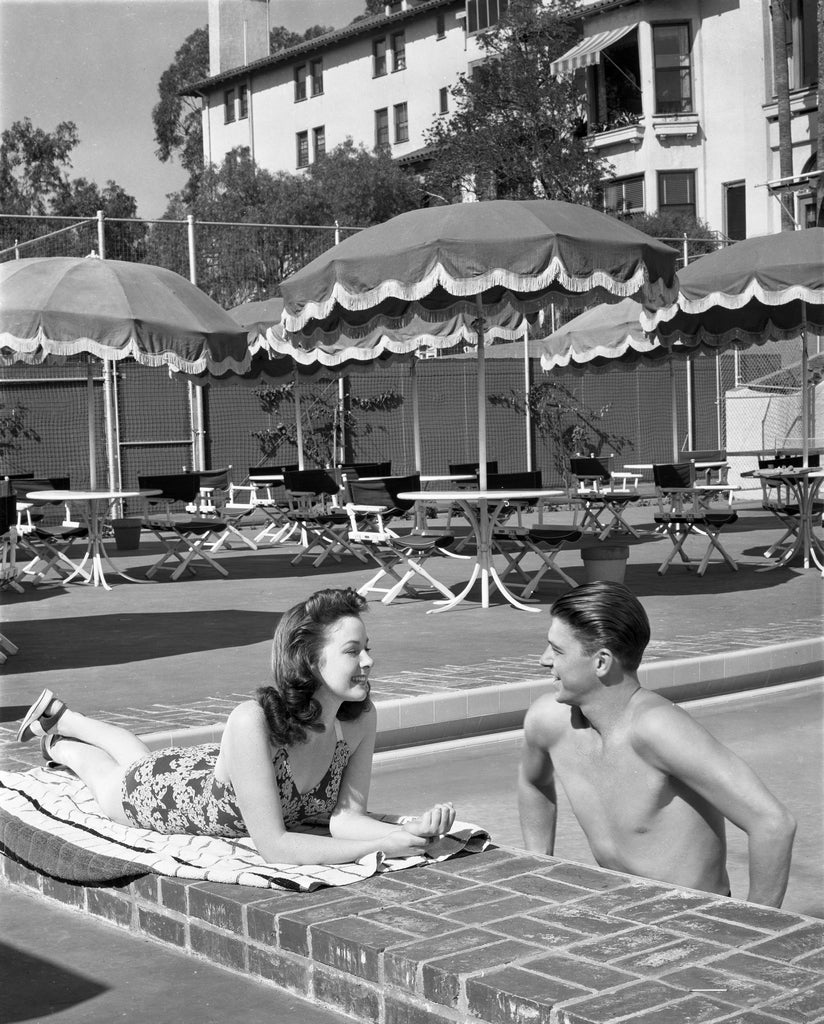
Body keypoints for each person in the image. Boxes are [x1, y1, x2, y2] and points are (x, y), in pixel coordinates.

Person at [16, 587, 455, 866]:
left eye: (367, 649)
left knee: (140, 757)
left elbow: (346, 819)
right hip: (166, 795)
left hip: (213, 770)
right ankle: (60, 743)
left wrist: (406, 833)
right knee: (113, 778)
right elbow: (276, 848)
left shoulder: (357, 720)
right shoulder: (253, 721)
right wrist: (378, 848)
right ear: (308, 659)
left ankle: (64, 718)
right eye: (352, 651)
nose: (368, 661)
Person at [518, 581, 796, 907]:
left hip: (695, 922)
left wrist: (754, 932)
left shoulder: (660, 729)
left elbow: (773, 824)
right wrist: (539, 867)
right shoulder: (547, 722)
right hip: (621, 913)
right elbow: (533, 781)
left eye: (558, 650)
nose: (543, 659)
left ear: (601, 662)